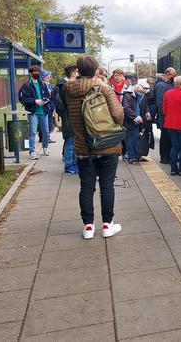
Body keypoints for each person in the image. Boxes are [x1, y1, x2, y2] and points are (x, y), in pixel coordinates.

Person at [65, 55, 124, 239]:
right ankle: (108, 225)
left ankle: (88, 227)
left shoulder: (68, 90)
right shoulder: (104, 88)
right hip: (106, 145)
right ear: (96, 70)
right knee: (107, 186)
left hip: (83, 147)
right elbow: (118, 115)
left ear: (78, 70)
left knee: (86, 188)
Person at [18, 65, 51, 160]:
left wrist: (45, 100)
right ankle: (32, 151)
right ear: (31, 73)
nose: (37, 74)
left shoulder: (43, 84)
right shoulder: (26, 85)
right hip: (33, 112)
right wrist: (35, 101)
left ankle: (45, 147)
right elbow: (22, 98)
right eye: (35, 72)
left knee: (46, 132)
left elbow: (49, 96)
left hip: (43, 111)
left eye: (38, 72)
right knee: (32, 132)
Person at [54, 64, 79, 174]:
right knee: (70, 143)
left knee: (73, 142)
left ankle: (73, 164)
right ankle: (69, 166)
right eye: (77, 72)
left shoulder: (63, 86)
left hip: (70, 118)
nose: (78, 74)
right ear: (73, 73)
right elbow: (61, 105)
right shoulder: (65, 87)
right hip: (70, 119)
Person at [122, 83, 150, 164]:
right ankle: (131, 157)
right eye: (141, 93)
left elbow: (145, 106)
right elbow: (126, 108)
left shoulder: (143, 95)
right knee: (129, 139)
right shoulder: (128, 95)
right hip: (129, 121)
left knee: (137, 138)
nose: (142, 95)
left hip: (139, 122)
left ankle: (137, 156)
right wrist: (136, 117)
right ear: (136, 89)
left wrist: (147, 112)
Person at [155, 67, 176, 164]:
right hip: (165, 117)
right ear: (168, 74)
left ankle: (169, 156)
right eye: (173, 75)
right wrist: (163, 116)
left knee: (171, 138)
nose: (174, 77)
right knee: (165, 138)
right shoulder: (161, 85)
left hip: (171, 116)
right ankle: (164, 157)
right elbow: (159, 103)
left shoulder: (171, 84)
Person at [39, 70, 56, 143]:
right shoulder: (42, 85)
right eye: (47, 76)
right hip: (46, 106)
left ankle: (44, 137)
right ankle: (45, 137)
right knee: (47, 123)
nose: (49, 77)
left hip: (50, 106)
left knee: (49, 122)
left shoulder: (49, 84)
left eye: (49, 76)